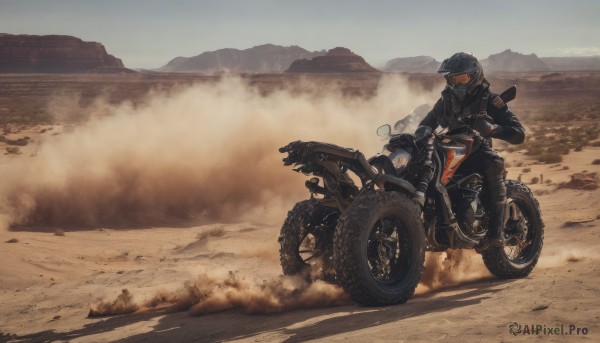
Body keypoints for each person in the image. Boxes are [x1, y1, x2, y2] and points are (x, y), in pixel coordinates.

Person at [418, 52, 525, 247]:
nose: (456, 85)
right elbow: (427, 122)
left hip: (476, 151)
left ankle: (496, 234)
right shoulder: (446, 100)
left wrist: (493, 129)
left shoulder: (490, 101)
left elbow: (519, 133)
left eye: (461, 79)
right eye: (452, 80)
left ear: (474, 76)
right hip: (451, 150)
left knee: (494, 163)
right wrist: (422, 129)